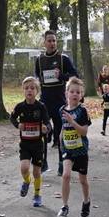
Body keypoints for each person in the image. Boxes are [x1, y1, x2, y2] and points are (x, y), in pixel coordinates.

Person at [35, 30, 78, 176]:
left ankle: (61, 163)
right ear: (44, 42)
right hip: (44, 102)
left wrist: (62, 75)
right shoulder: (39, 60)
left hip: (59, 102)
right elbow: (36, 74)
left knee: (61, 136)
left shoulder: (63, 58)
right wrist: (38, 80)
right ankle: (43, 162)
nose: (52, 43)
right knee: (43, 132)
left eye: (54, 41)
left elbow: (74, 75)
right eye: (49, 41)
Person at [10, 76, 52, 207]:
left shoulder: (41, 107)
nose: (29, 91)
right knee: (24, 168)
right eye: (27, 88)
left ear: (37, 91)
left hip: (38, 144)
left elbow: (47, 123)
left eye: (32, 88)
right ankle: (27, 181)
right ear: (23, 91)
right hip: (25, 144)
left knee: (36, 172)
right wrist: (18, 125)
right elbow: (12, 117)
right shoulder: (20, 107)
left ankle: (37, 195)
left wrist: (46, 129)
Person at [57, 77, 92, 217]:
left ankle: (86, 201)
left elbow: (84, 132)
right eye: (72, 91)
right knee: (66, 175)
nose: (75, 94)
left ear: (81, 95)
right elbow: (63, 128)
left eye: (78, 92)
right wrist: (60, 141)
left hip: (81, 149)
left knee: (82, 180)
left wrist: (72, 121)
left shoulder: (82, 111)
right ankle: (64, 206)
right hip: (67, 149)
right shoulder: (62, 110)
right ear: (67, 94)